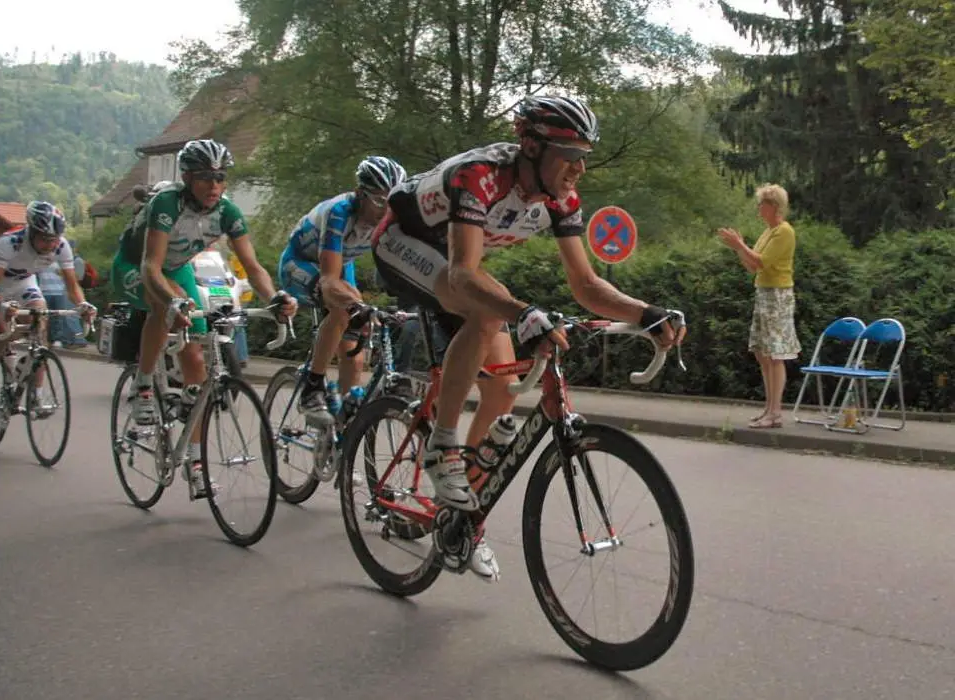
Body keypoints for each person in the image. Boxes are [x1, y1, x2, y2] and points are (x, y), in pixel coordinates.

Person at [371, 95, 684, 582]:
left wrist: (645, 313)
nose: (579, 169)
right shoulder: (479, 176)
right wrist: (523, 314)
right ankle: (442, 446)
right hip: (403, 244)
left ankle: (460, 513)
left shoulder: (560, 198)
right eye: (570, 155)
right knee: (488, 312)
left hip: (456, 264)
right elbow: (461, 273)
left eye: (585, 156)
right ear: (532, 147)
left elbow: (586, 285)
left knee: (501, 386)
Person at [111, 139, 297, 497]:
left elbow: (254, 267)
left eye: (220, 177)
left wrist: (274, 298)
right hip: (137, 267)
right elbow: (151, 265)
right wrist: (171, 302)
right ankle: (144, 385)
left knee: (196, 356)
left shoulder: (227, 212)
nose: (214, 186)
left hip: (177, 270)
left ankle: (196, 463)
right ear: (187, 178)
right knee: (163, 308)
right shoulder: (167, 203)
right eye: (204, 178)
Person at [278, 156, 407, 423]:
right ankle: (312, 386)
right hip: (300, 263)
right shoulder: (339, 212)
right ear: (360, 194)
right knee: (342, 310)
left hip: (341, 263)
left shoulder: (390, 218)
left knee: (354, 355)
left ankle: (343, 432)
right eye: (380, 201)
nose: (386, 211)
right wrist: (355, 304)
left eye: (392, 202)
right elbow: (328, 281)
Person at [0, 202, 96, 408]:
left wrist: (83, 304)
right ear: (31, 232)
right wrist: (3, 307)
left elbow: (72, 285)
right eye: (44, 240)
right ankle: (2, 353)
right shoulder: (9, 243)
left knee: (40, 322)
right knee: (1, 329)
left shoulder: (61, 245)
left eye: (54, 239)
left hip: (24, 283)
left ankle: (36, 394)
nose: (50, 245)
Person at [718, 183, 801, 429]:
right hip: (764, 293)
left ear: (773, 206)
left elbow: (762, 261)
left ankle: (775, 412)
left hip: (778, 296)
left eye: (762, 203)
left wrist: (740, 246)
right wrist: (738, 248)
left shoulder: (784, 232)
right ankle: (768, 408)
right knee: (761, 351)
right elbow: (752, 266)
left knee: (775, 354)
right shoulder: (768, 232)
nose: (758, 208)